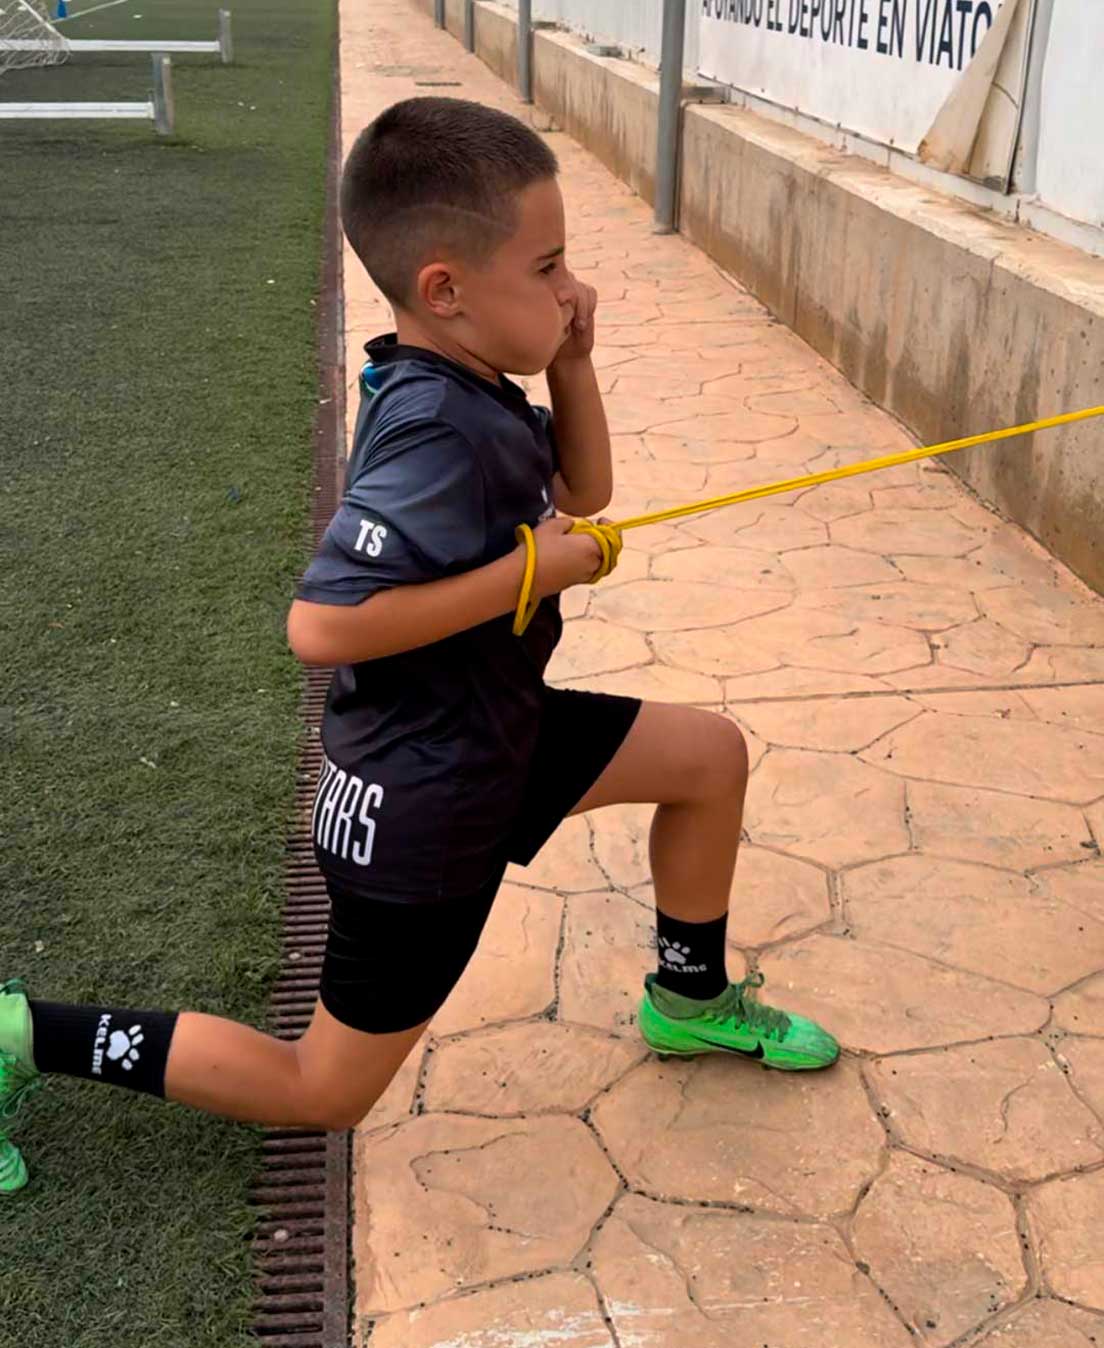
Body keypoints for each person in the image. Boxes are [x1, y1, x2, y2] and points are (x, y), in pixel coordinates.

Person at [0, 95, 838, 1196]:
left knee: (705, 758)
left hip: (490, 733)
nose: (570, 286)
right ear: (446, 290)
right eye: (548, 268)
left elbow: (584, 489)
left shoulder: (465, 380)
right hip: (425, 803)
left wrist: (571, 359)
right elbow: (323, 623)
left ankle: (687, 998)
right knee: (323, 1089)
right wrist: (533, 570)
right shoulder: (438, 428)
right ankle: (22, 1034)